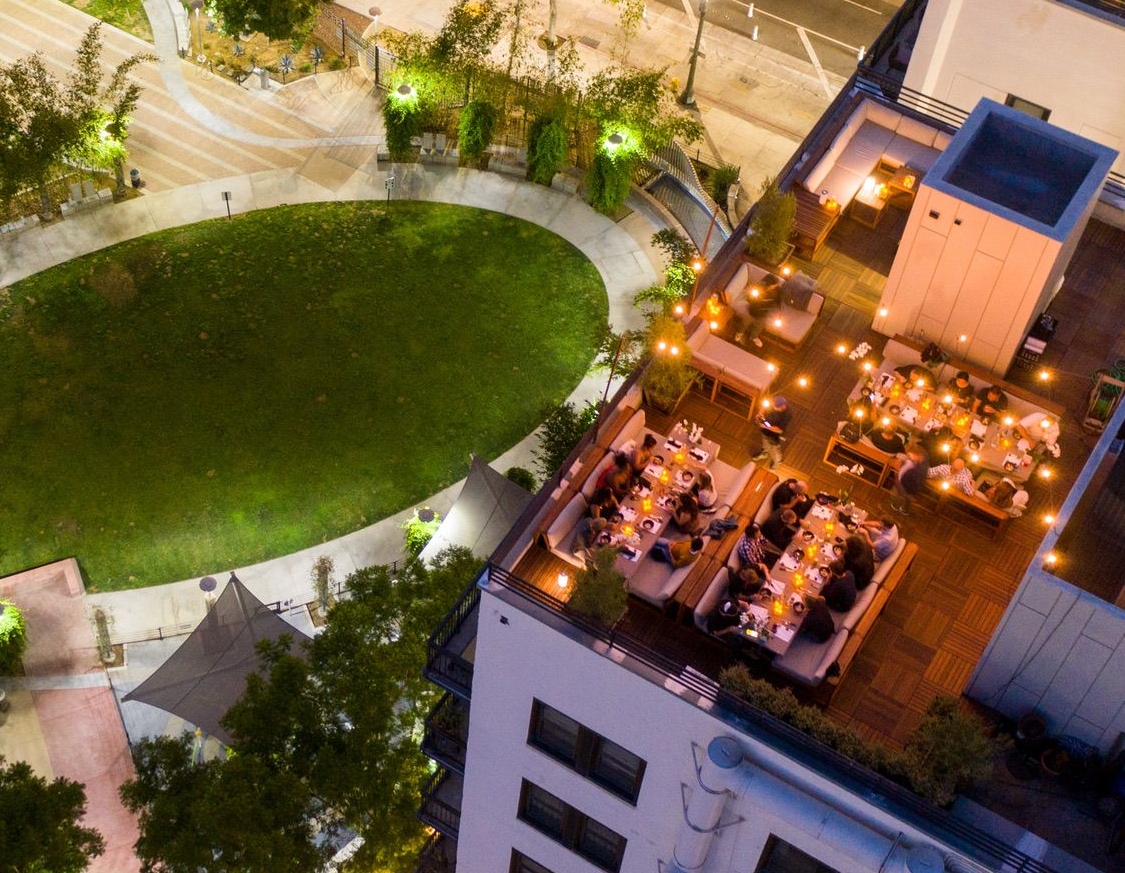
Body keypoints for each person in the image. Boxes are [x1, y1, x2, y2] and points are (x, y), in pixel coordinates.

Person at [732, 273, 783, 349]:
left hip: (764, 312)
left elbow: (779, 300)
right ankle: (739, 333)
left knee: (759, 326)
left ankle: (754, 337)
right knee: (745, 323)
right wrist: (752, 297)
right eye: (773, 285)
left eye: (775, 285)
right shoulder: (758, 289)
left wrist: (778, 309)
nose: (775, 286)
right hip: (753, 310)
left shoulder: (777, 291)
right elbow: (750, 298)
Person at [890, 444, 928, 515]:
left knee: (904, 497)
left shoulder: (922, 465)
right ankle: (897, 506)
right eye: (908, 456)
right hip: (906, 483)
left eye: (911, 456)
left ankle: (903, 509)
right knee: (897, 495)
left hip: (911, 485)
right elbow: (899, 478)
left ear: (918, 455)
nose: (909, 457)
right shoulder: (911, 462)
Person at [754, 396, 791, 469]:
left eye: (775, 407)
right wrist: (760, 413)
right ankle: (764, 453)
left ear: (783, 406)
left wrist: (766, 427)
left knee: (775, 450)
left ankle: (777, 462)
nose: (773, 408)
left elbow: (779, 430)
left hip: (774, 436)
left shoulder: (786, 415)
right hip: (765, 429)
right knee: (765, 443)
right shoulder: (775, 402)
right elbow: (764, 405)